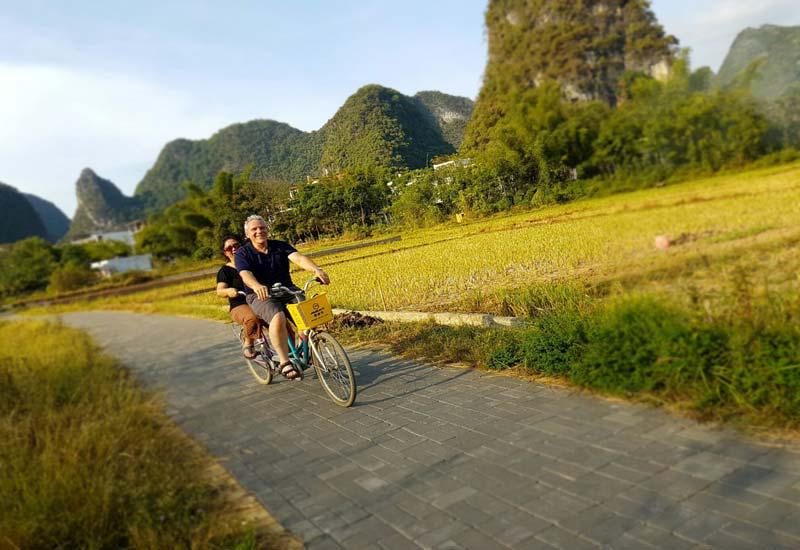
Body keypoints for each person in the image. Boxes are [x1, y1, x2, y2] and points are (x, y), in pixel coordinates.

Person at [235, 215, 330, 380]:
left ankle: (301, 347)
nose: (259, 231)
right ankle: (285, 361)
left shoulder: (280, 246)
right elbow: (245, 274)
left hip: (287, 290)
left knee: (309, 316)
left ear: (267, 229)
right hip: (260, 295)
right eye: (254, 229)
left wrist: (316, 270)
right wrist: (256, 285)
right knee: (277, 316)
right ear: (248, 234)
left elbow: (298, 258)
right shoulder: (243, 253)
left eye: (262, 228)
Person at [216, 236, 260, 359]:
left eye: (236, 246)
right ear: (225, 252)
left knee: (279, 318)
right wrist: (228, 291)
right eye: (229, 248)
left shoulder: (252, 263)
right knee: (252, 318)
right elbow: (219, 291)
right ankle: (248, 343)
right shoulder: (225, 271)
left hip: (259, 299)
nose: (234, 249)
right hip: (240, 304)